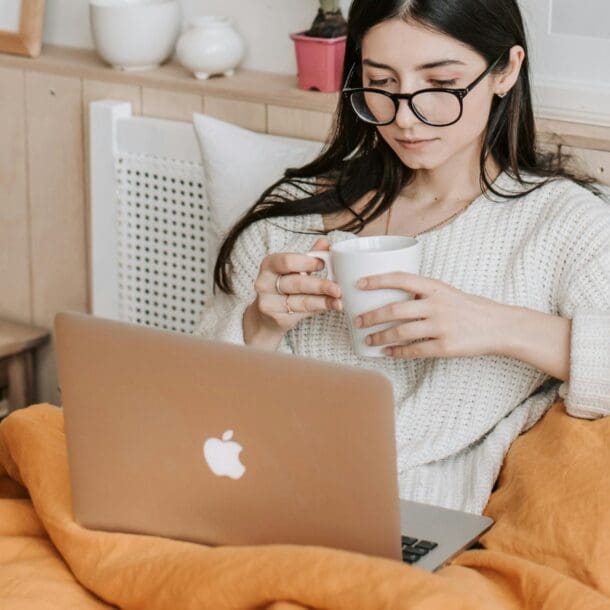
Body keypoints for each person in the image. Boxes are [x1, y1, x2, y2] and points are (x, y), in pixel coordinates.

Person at [194, 0, 610, 515]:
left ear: (506, 69)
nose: (407, 118)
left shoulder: (561, 225)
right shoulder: (290, 223)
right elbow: (200, 406)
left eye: (439, 85)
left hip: (411, 521)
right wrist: (260, 326)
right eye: (383, 86)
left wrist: (498, 326)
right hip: (256, 496)